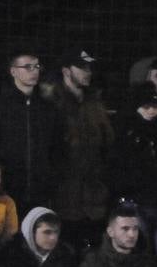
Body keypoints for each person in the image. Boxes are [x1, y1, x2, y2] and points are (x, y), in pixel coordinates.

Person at [0, 49, 64, 217]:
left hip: (41, 190)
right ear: (13, 71)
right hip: (7, 190)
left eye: (37, 66)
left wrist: (52, 177)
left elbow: (58, 147)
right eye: (28, 67)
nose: (34, 71)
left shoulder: (48, 109)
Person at [41, 49, 113, 237]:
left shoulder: (95, 104)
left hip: (93, 196)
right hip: (64, 196)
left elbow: (107, 144)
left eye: (89, 67)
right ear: (66, 71)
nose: (88, 72)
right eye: (82, 67)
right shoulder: (51, 105)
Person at [108, 83, 157, 254]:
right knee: (138, 251)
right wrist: (125, 194)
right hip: (136, 203)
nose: (151, 111)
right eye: (146, 107)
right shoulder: (126, 134)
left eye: (155, 107)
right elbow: (118, 167)